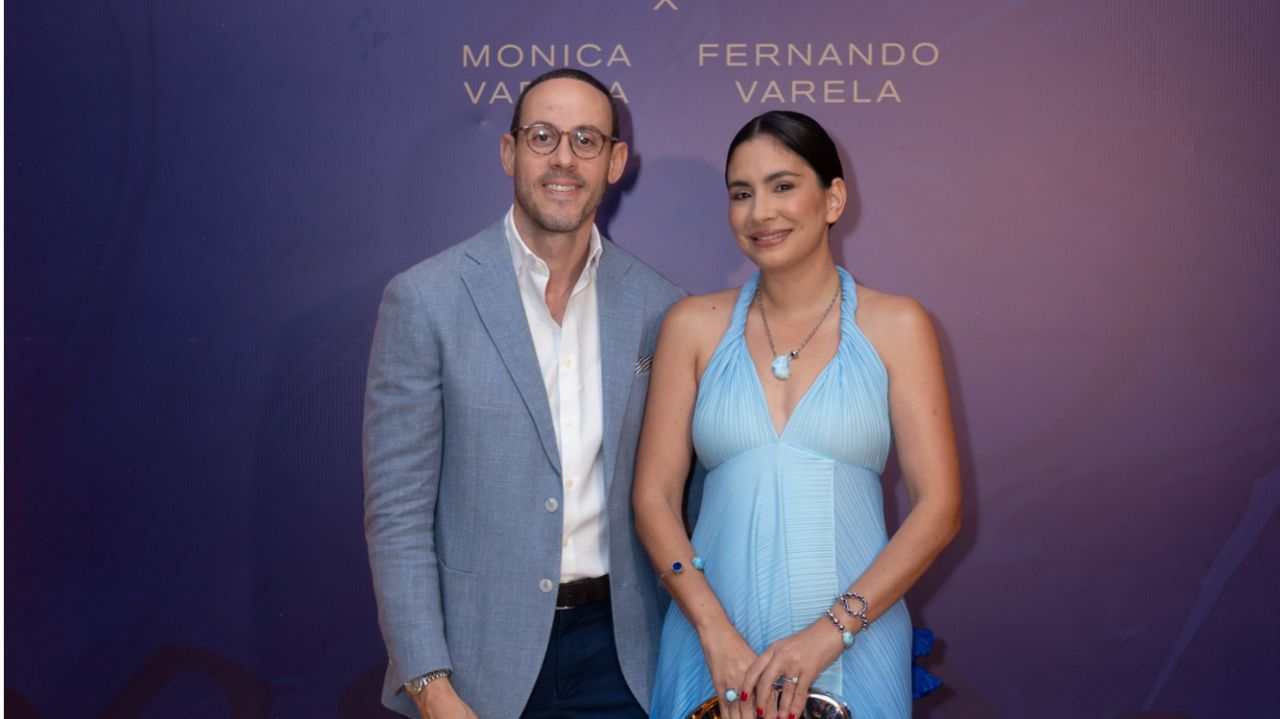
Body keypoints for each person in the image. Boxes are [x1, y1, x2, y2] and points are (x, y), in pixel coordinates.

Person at [363, 68, 683, 719]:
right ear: (509, 152)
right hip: (475, 667)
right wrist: (430, 683)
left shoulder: (663, 307)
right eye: (543, 136)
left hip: (626, 663)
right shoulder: (425, 299)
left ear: (615, 161)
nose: (564, 158)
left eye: (586, 139)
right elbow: (397, 515)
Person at [633, 110, 962, 719]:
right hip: (712, 650)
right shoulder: (690, 327)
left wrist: (830, 633)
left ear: (833, 198)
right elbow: (653, 498)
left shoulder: (898, 325)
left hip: (854, 645)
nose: (761, 212)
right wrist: (713, 631)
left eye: (782, 186)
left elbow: (938, 507)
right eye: (742, 194)